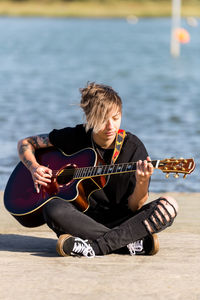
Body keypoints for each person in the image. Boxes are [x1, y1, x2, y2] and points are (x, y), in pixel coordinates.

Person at [17, 82, 178, 258]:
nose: (110, 126)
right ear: (89, 118)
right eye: (102, 119)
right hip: (80, 221)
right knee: (52, 209)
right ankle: (127, 244)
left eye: (115, 118)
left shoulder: (133, 148)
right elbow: (26, 143)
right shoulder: (76, 137)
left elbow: (135, 207)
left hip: (122, 221)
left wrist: (142, 181)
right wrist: (34, 168)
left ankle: (93, 248)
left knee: (169, 206)